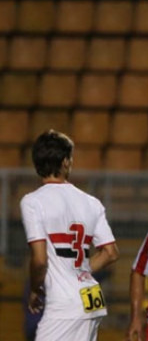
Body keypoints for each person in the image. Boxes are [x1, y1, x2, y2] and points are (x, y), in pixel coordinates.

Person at [20, 130, 120, 341]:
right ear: (66, 162)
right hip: (91, 297)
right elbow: (110, 253)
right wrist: (80, 272)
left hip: (64, 304)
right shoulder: (91, 202)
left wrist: (36, 289)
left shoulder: (33, 202)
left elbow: (39, 260)